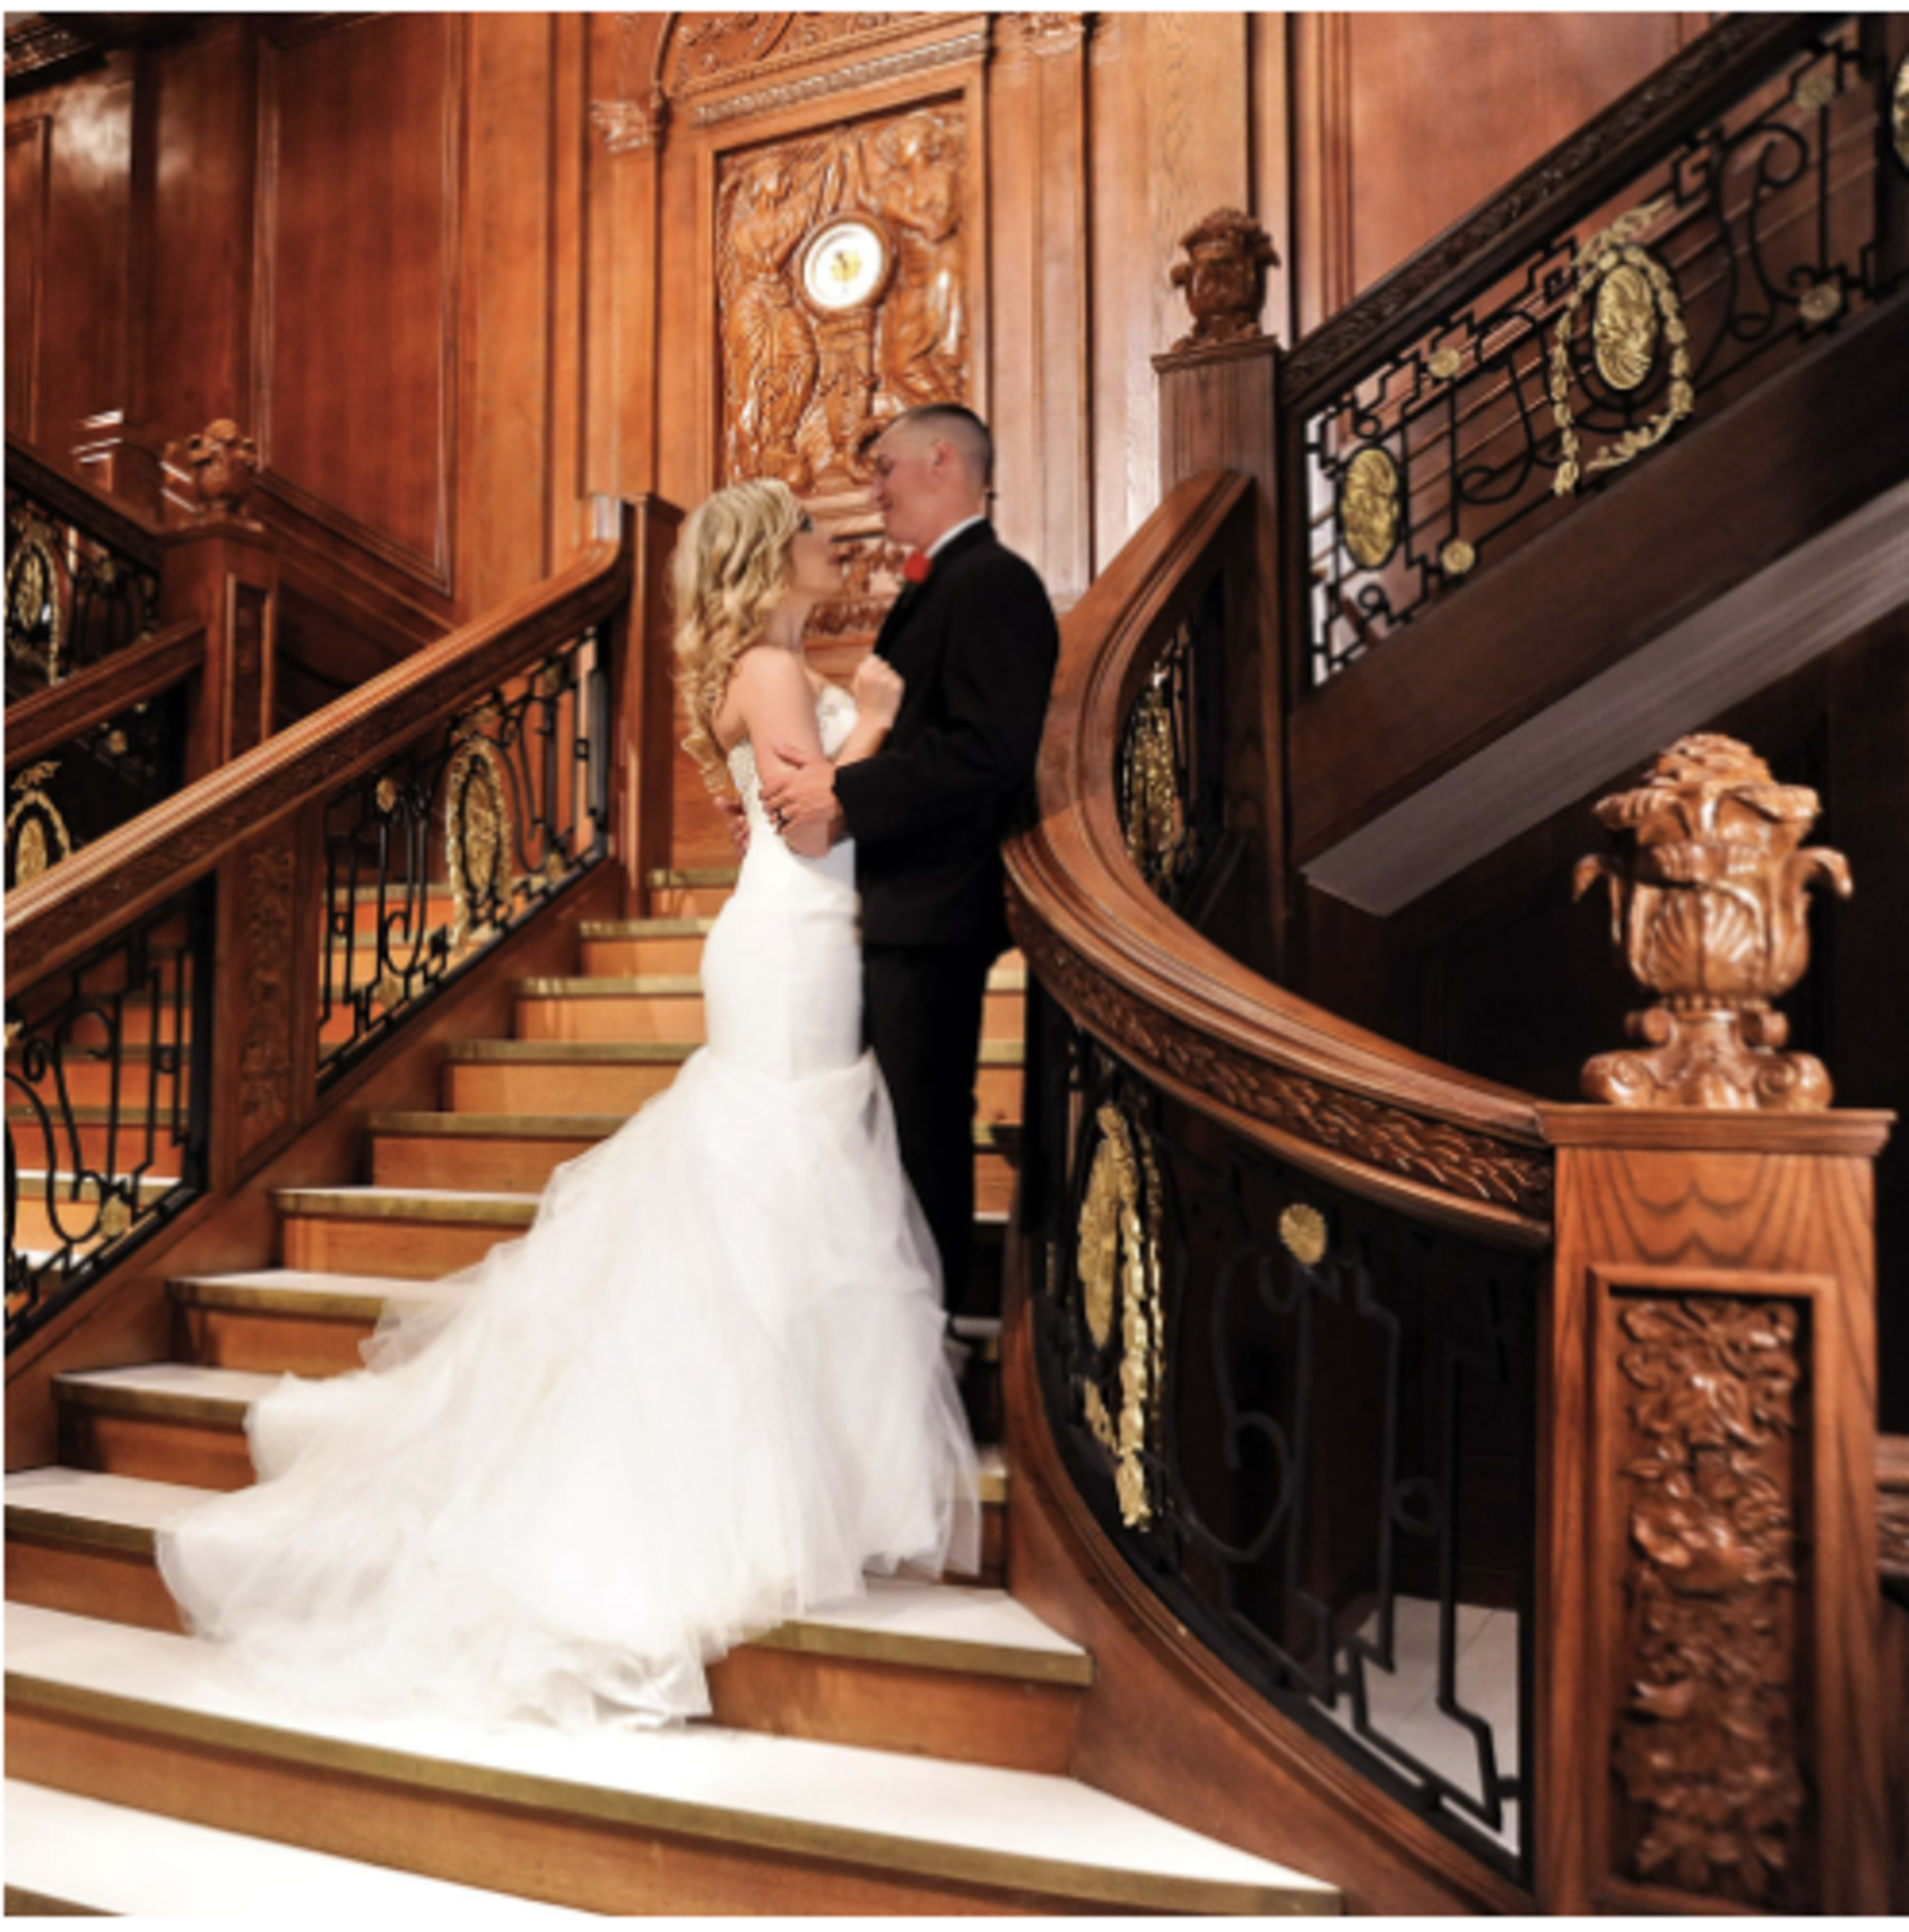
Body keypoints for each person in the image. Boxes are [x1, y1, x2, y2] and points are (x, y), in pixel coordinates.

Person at [156, 480, 979, 1731]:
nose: (837, 546)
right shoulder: (768, 667)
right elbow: (813, 829)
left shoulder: (770, 668)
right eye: (814, 537)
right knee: (781, 1165)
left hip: (801, 938)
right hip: (792, 942)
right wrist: (869, 718)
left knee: (799, 1178)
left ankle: (813, 1482)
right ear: (768, 563)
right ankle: (734, 1495)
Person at [759, 405, 1058, 1323]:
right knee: (891, 1139)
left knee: (920, 1140)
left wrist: (851, 800)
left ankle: (925, 1346)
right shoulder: (942, 583)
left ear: (942, 459)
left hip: (935, 911)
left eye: (885, 468)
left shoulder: (995, 582)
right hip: (897, 906)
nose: (875, 489)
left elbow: (988, 750)